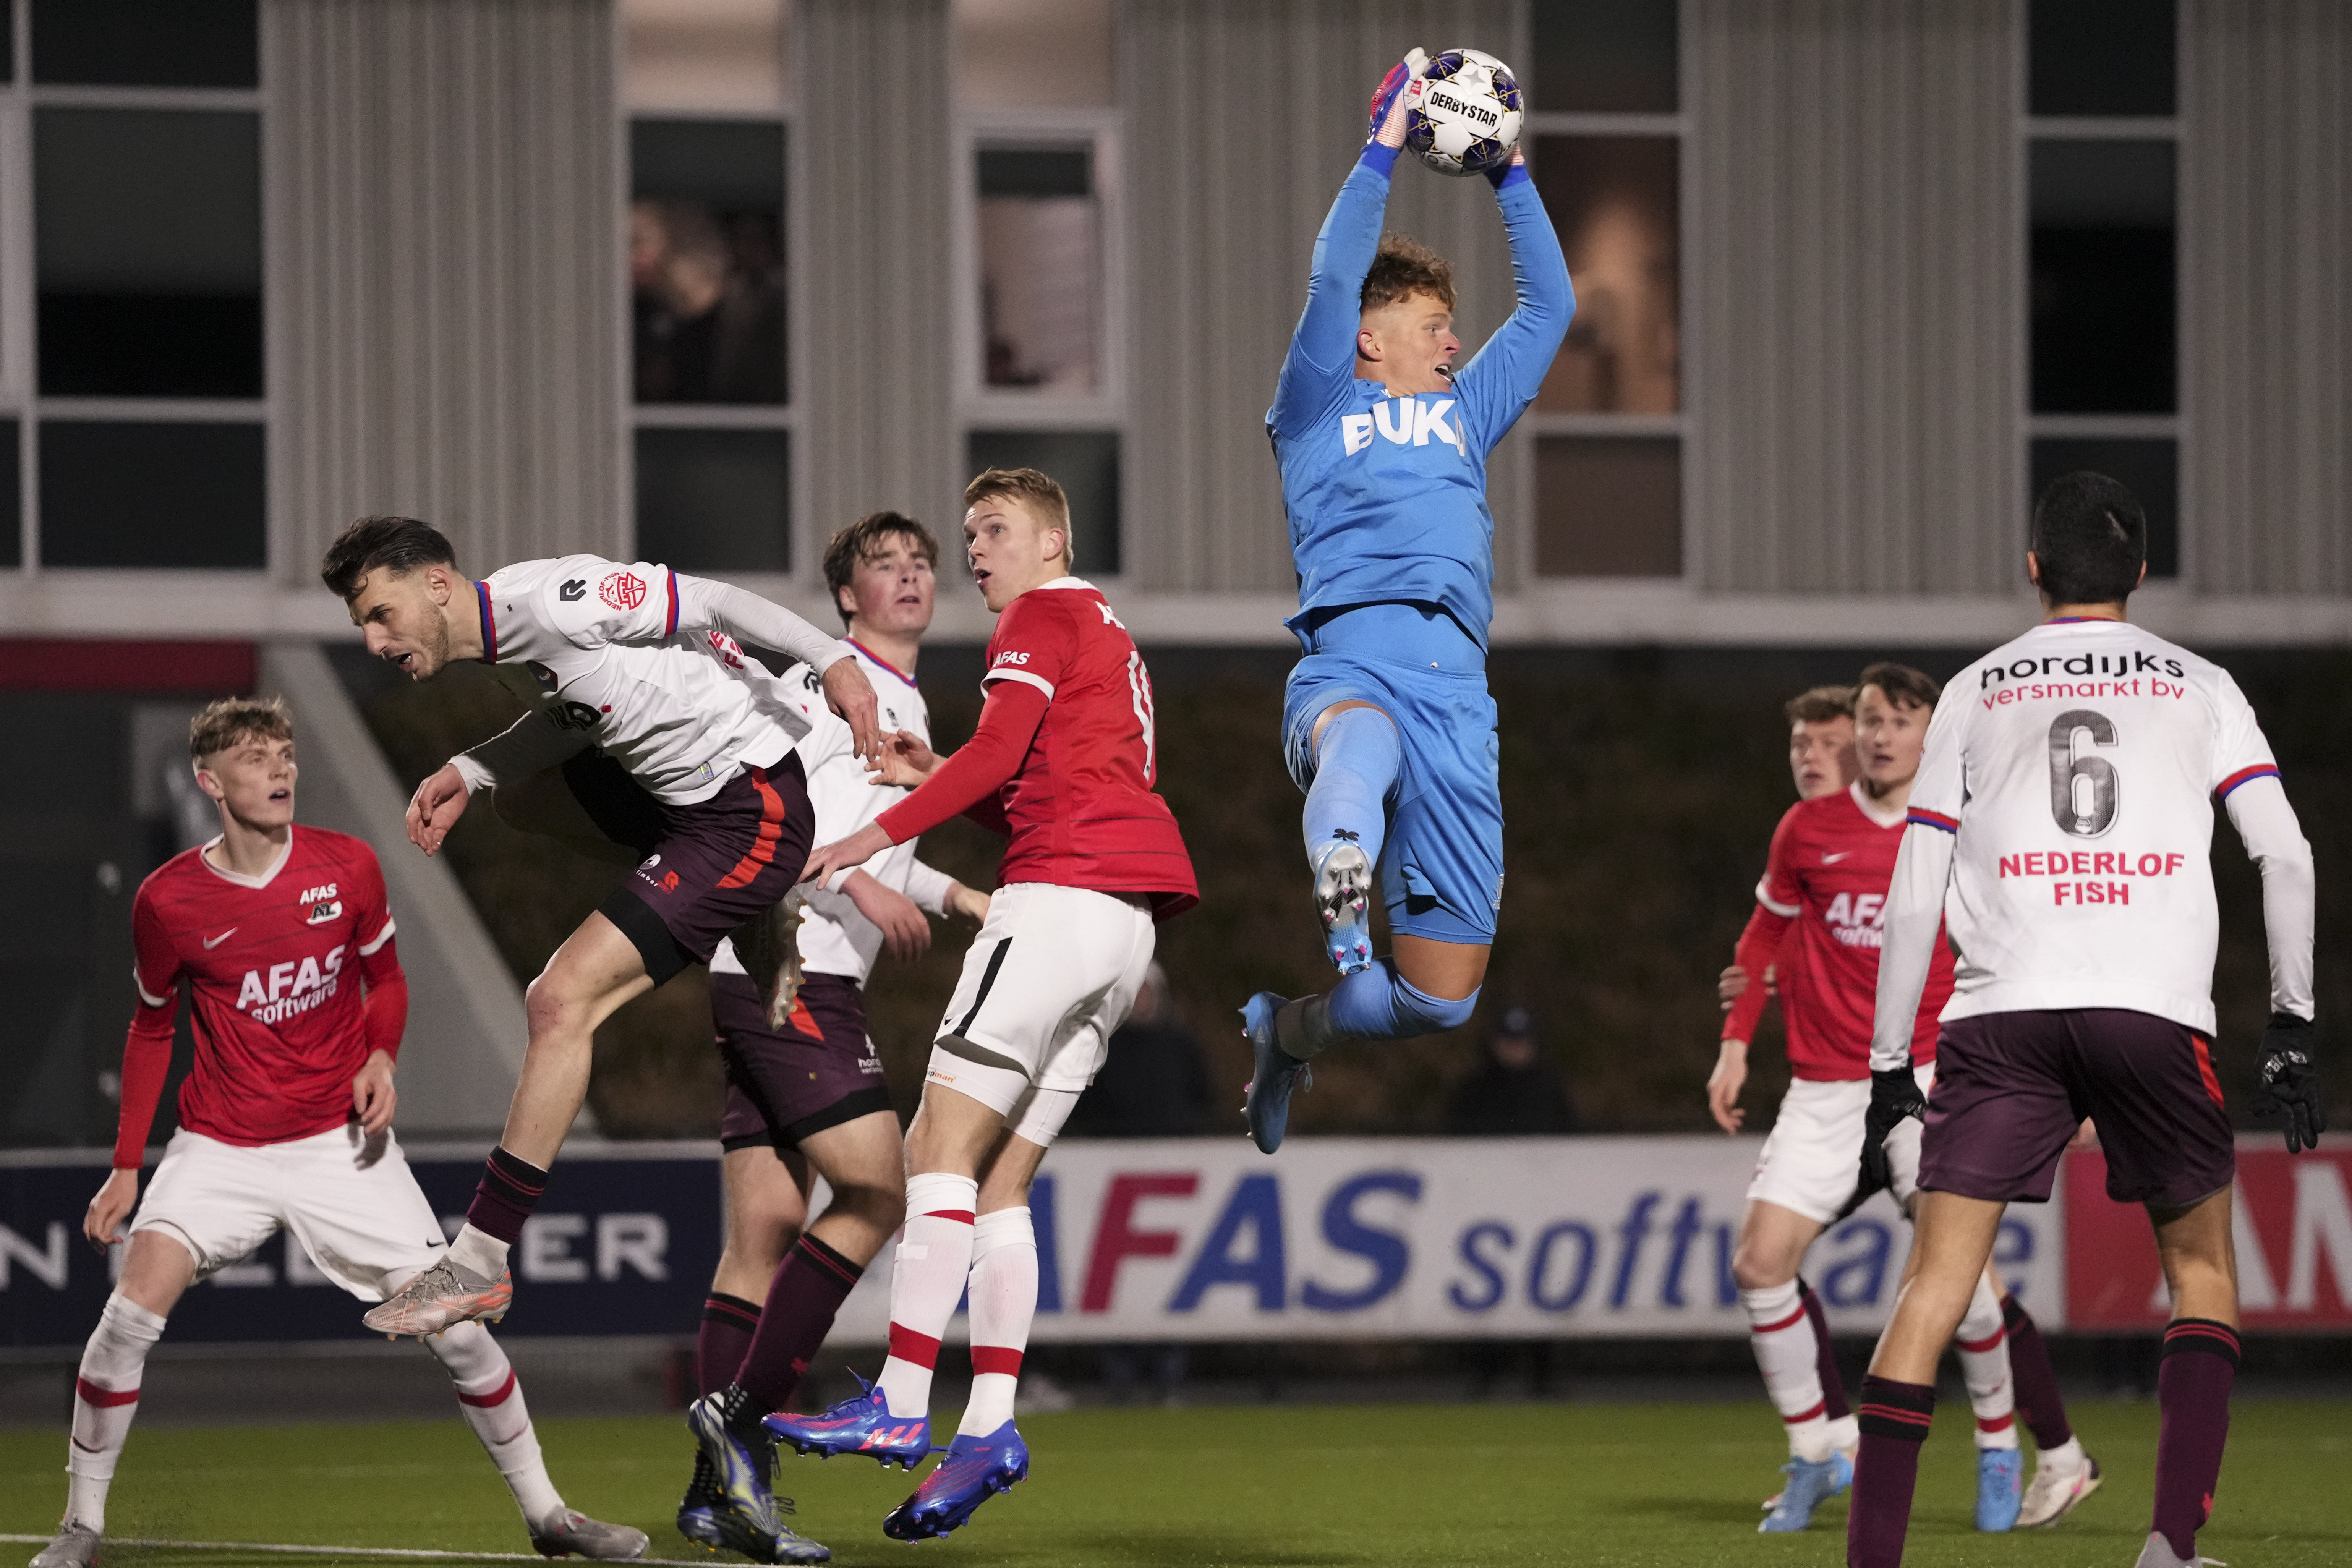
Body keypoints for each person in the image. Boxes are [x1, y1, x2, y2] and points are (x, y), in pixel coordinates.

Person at [26, 698, 644, 1568]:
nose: (279, 770)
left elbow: (384, 979)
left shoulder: (346, 865)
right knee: (125, 1318)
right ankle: (81, 1526)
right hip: (219, 1148)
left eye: (284, 753)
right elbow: (152, 1027)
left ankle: (551, 1517)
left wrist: (382, 1058)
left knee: (461, 1332)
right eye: (254, 758)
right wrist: (127, 1166)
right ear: (210, 781)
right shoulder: (167, 899)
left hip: (340, 1148)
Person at [1846, 473, 2322, 1568]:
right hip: (2150, 1011)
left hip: (2002, 1013)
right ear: (2141, 573)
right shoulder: (2200, 683)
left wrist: (1887, 1066)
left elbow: (1916, 885)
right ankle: (2167, 1544)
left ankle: (1869, 1561)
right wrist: (2291, 1021)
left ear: (2031, 570)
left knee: (1933, 1289)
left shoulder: (1973, 686)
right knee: (2199, 1274)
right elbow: (2283, 854)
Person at [761, 468, 1197, 1543]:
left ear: (1052, 541)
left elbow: (1007, 757)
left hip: (1055, 910)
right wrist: (939, 766)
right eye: (970, 535)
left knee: (933, 1154)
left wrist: (871, 832)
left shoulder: (1040, 616)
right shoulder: (1102, 624)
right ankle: (991, 1425)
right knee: (1001, 1182)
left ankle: (903, 1405)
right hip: (1124, 928)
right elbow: (1039, 786)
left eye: (994, 530)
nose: (975, 552)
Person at [317, 516, 880, 1347]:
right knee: (525, 797)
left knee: (560, 1001)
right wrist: (473, 770)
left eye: (379, 612)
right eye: (362, 623)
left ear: (438, 582)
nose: (373, 639)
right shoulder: (505, 649)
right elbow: (575, 714)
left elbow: (714, 602)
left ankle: (478, 1261)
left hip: (747, 808)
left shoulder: (556, 598)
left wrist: (836, 663)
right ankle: (753, 909)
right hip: (682, 809)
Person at [1237, 49, 1573, 1154]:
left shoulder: (1465, 413)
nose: (1453, 343)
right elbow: (1334, 279)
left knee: (1441, 1000)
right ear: (1374, 339)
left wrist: (1506, 171)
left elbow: (1550, 305)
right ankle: (1341, 860)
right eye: (1434, 327)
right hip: (1354, 666)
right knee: (1355, 757)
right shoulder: (1316, 404)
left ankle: (1288, 1034)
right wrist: (1382, 147)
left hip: (1459, 699)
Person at [675, 513, 989, 1562]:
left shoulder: (899, 699)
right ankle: (741, 1423)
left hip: (761, 967)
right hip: (788, 964)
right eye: (882, 568)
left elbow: (887, 848)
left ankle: (714, 1493)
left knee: (765, 1226)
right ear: (847, 597)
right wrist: (857, 878)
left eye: (919, 565)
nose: (907, 579)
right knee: (879, 1192)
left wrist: (963, 900)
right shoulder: (834, 684)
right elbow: (782, 812)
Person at [1712, 666, 2088, 1534]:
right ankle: (1819, 1451)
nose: (1876, 737)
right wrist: (1736, 1040)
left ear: (1927, 733)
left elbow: (2024, 945)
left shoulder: (1964, 827)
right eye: (1869, 722)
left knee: (1959, 1279)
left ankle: (2003, 1447)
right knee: (1759, 1261)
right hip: (1828, 1086)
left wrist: (2063, 1074)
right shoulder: (1807, 829)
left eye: (1891, 722)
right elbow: (1766, 933)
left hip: (1930, 1078)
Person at [1715, 685, 1857, 1016]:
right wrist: (1762, 968)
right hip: (1825, 1049)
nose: (1810, 756)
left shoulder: (1917, 829)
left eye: (1830, 744)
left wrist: (1795, 963)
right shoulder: (1796, 831)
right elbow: (1767, 941)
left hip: (1923, 1049)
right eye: (1800, 745)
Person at [1063, 963, 1216, 1138]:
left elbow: (1202, 1097)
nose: (1141, 999)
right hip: (1115, 1148)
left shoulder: (1182, 1046)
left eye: (1146, 992)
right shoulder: (1103, 1047)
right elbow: (1087, 1106)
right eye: (1136, 992)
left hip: (1174, 1147)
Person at [1446, 1004, 1578, 1135]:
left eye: (1522, 1042)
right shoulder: (1476, 1092)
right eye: (1509, 1042)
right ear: (1494, 1043)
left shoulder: (1549, 1090)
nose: (1515, 1049)